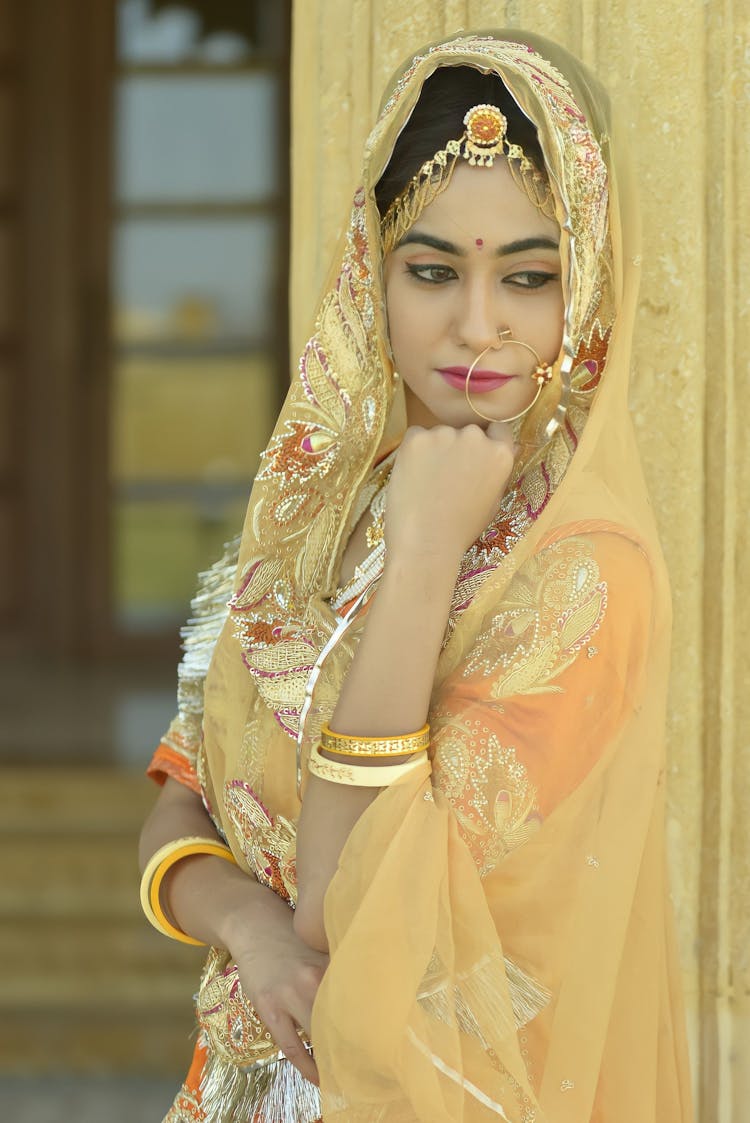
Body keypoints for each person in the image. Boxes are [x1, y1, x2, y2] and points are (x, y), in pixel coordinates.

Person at [139, 27, 694, 1123]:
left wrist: (428, 553)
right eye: (433, 269)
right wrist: (248, 929)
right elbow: (179, 803)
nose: (477, 325)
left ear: (581, 298)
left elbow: (349, 909)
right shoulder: (320, 516)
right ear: (371, 274)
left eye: (529, 277)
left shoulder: (586, 578)